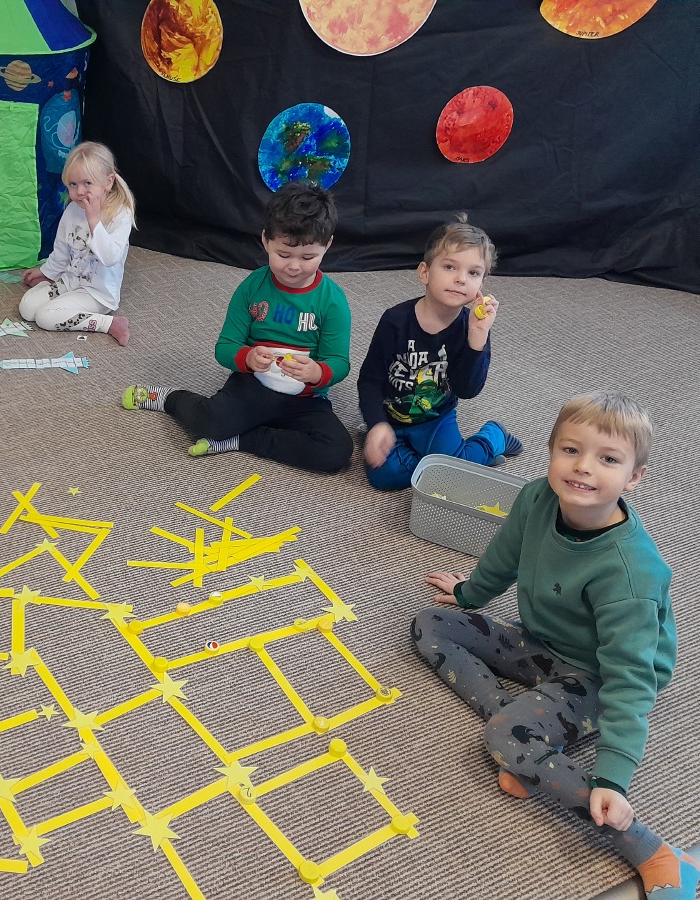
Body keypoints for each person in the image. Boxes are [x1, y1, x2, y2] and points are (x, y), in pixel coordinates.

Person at [413, 392, 696, 900]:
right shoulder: (536, 497)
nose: (583, 467)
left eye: (607, 459)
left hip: (601, 676)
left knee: (504, 738)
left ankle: (647, 847)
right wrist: (469, 593)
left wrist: (613, 779)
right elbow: (504, 556)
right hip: (544, 642)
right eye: (570, 450)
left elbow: (631, 681)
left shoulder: (631, 573)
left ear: (634, 478)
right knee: (430, 624)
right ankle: (522, 729)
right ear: (551, 452)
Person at [121, 181, 352, 472]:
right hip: (254, 385)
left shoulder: (332, 301)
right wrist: (248, 358)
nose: (294, 266)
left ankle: (242, 440)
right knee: (210, 423)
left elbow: (339, 362)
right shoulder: (252, 287)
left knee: (336, 451)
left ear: (327, 245)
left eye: (308, 257)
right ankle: (168, 398)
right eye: (283, 255)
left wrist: (318, 372)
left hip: (306, 399)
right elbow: (225, 348)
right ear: (266, 240)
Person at [357, 214, 522, 490]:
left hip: (436, 419)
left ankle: (493, 437)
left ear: (481, 284)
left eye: (473, 273)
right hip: (392, 417)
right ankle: (437, 464)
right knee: (384, 477)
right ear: (424, 272)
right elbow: (369, 380)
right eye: (449, 267)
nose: (461, 279)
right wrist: (376, 425)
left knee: (449, 476)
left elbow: (467, 390)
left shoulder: (473, 326)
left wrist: (476, 338)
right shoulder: (395, 321)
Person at [20, 141, 136, 345]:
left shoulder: (120, 214)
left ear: (108, 182)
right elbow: (61, 251)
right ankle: (56, 296)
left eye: (87, 183)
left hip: (97, 294)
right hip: (70, 281)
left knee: (45, 317)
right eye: (73, 184)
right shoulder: (73, 209)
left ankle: (109, 324)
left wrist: (93, 220)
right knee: (27, 308)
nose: (80, 191)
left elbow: (110, 258)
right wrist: (46, 272)